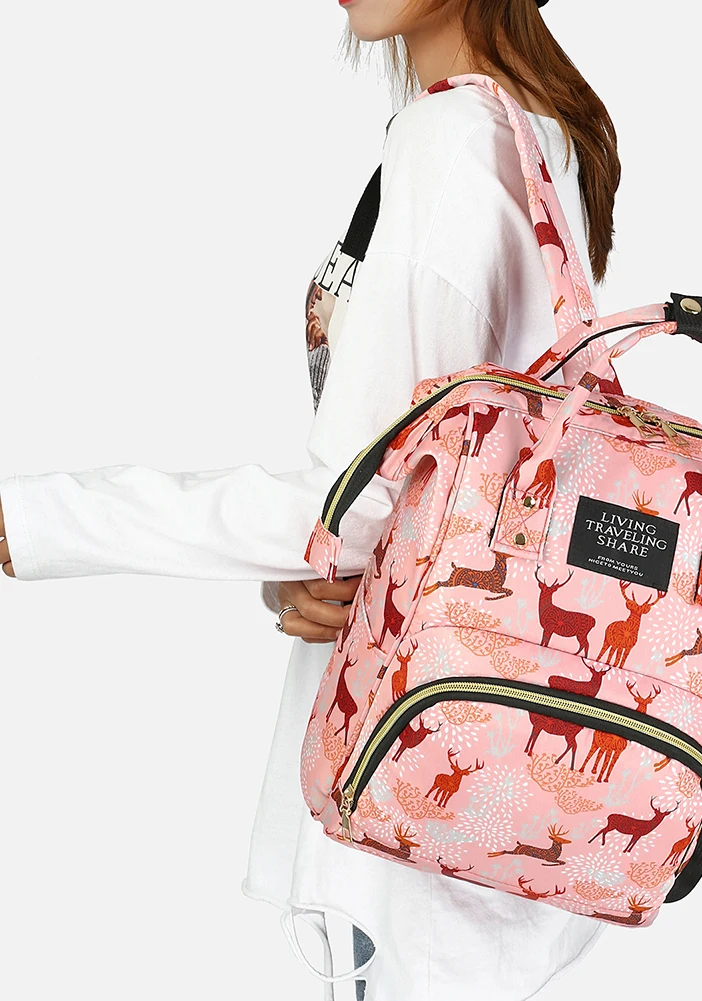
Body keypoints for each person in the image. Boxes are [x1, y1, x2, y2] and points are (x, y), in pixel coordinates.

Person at [0, 1, 623, 998]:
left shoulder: (454, 140)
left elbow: (362, 499)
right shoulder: (538, 130)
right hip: (485, 763)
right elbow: (439, 482)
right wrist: (312, 572)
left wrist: (35, 519)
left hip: (417, 777)